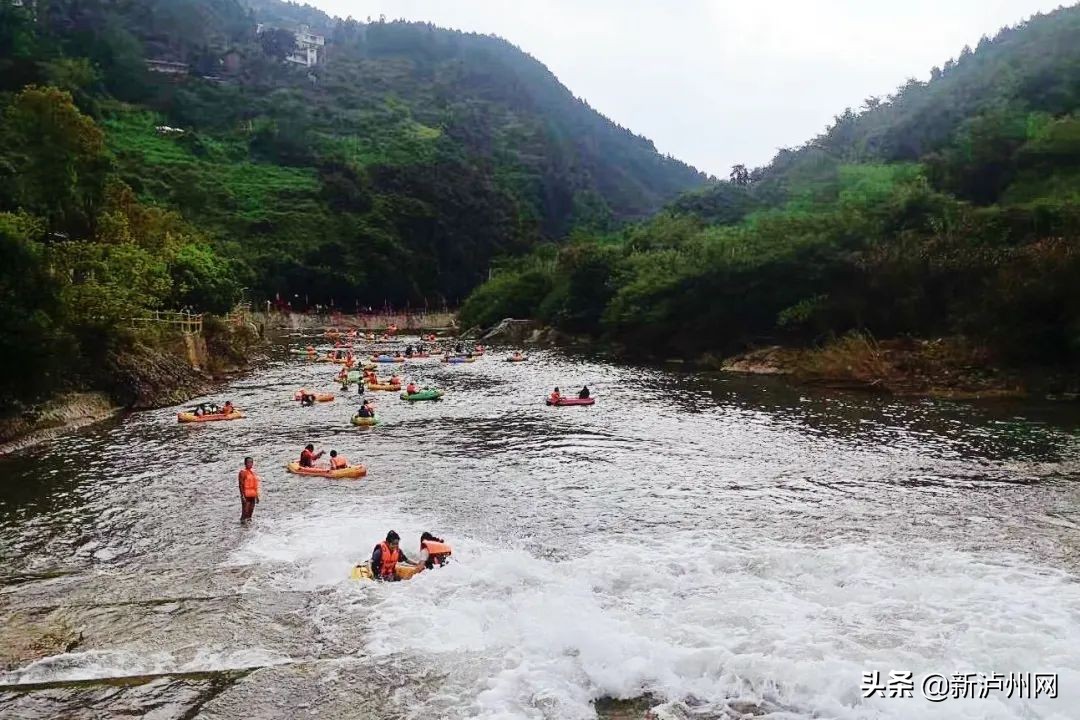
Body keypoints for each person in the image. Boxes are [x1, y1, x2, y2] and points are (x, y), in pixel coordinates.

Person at [238, 456, 261, 523]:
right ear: (245, 463)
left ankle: (249, 527)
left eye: (251, 462)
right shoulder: (242, 472)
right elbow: (241, 485)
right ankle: (242, 524)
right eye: (248, 462)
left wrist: (257, 496)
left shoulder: (253, 472)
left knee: (251, 511)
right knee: (245, 511)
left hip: (252, 494)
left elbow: (255, 485)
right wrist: (242, 496)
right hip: (246, 495)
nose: (250, 464)